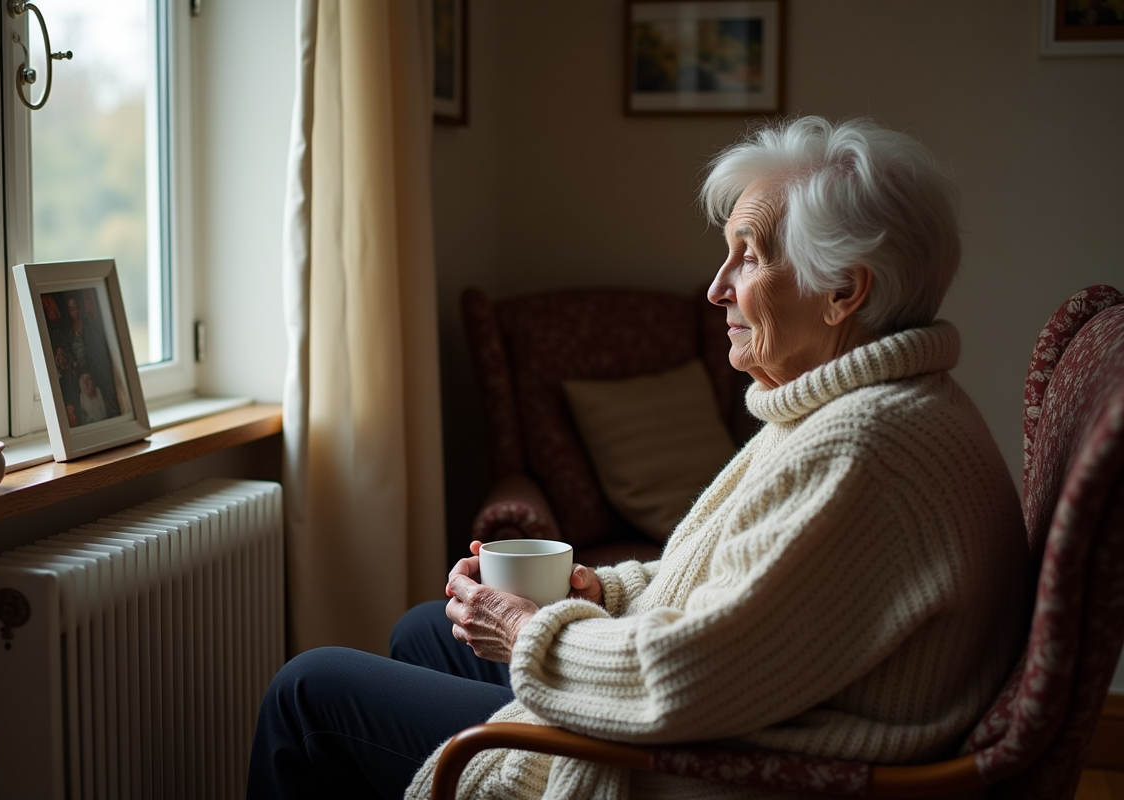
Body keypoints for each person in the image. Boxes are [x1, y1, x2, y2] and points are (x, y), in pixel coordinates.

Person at [246, 116, 1031, 800]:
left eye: (749, 257)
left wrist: (529, 632)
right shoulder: (855, 409)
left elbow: (692, 676)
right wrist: (604, 590)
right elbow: (747, 588)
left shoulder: (866, 449)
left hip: (718, 771)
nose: (717, 288)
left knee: (305, 693)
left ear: (843, 293)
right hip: (739, 718)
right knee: (429, 629)